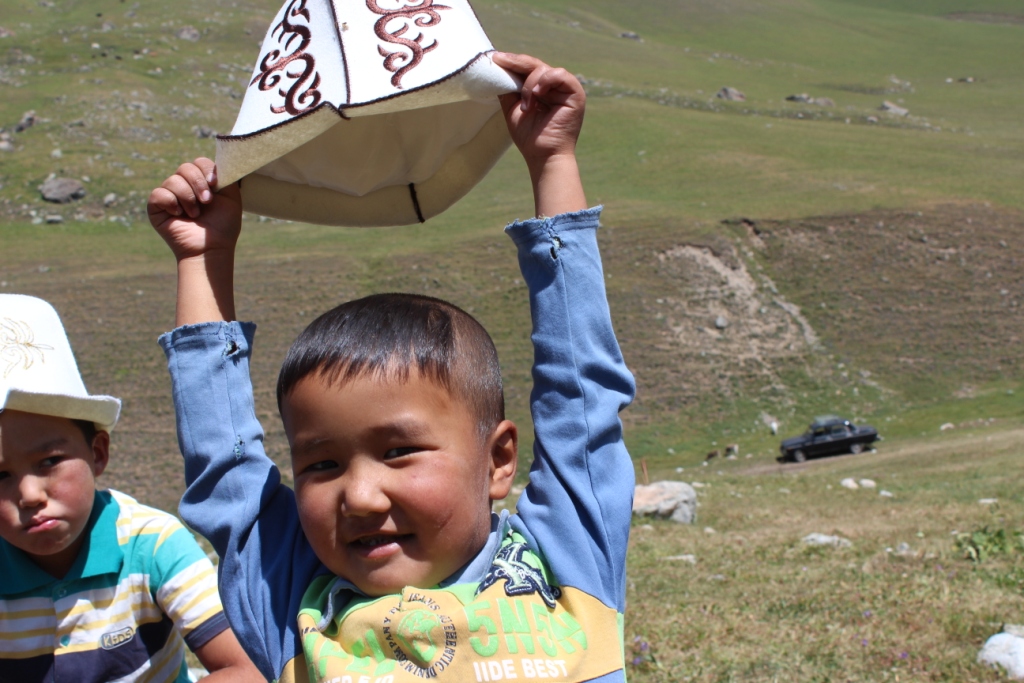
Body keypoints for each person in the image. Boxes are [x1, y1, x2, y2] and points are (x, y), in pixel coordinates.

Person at [150, 52, 636, 683]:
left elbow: (580, 395)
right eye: (320, 465)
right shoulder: (292, 607)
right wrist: (204, 257)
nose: (359, 496)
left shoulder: (566, 565)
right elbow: (226, 469)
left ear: (497, 461)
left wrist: (552, 161)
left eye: (400, 451)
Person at [0, 295, 260, 682]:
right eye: (0, 476)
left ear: (97, 453)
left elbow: (246, 669)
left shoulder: (152, 545)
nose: (30, 495)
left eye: (50, 462)